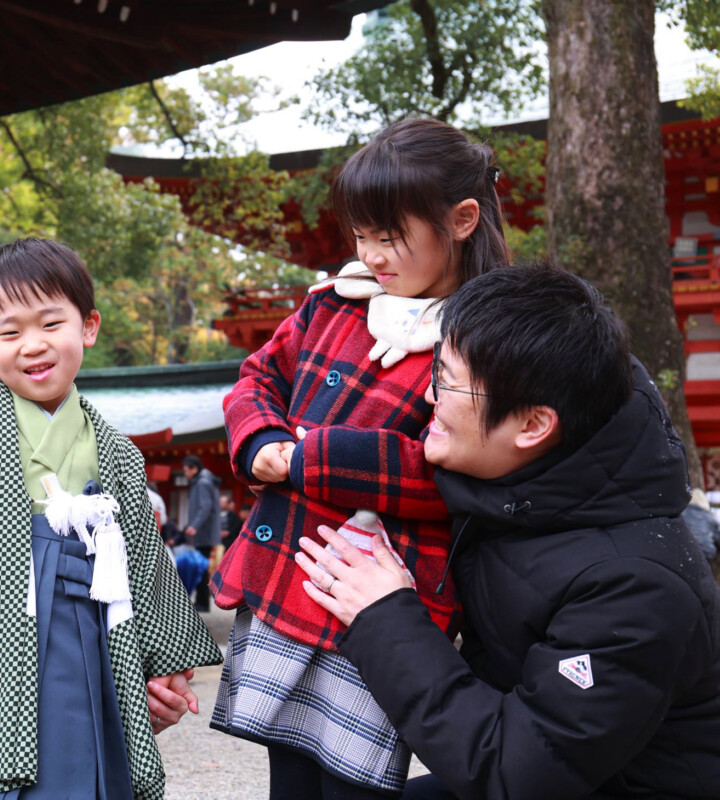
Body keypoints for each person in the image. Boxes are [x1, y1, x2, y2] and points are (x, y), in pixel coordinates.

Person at [297, 265, 720, 799]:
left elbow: (517, 773)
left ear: (532, 426)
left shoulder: (634, 586)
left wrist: (384, 615)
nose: (429, 397)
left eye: (447, 381)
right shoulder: (521, 486)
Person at [210, 116, 511, 799]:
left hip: (381, 604)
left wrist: (307, 457)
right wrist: (258, 439)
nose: (373, 254)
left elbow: (458, 470)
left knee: (356, 783)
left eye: (390, 236)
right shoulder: (334, 306)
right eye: (362, 234)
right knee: (287, 775)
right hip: (289, 572)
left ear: (461, 219)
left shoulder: (490, 341)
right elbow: (257, 377)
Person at [0, 238, 222, 800]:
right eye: (9, 333)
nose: (32, 346)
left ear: (87, 327)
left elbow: (142, 562)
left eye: (50, 324)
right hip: (2, 646)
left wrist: (167, 664)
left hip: (96, 636)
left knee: (100, 766)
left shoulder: (117, 449)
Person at [182, 455, 221, 610]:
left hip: (203, 532)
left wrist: (194, 526)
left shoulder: (202, 482)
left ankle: (203, 603)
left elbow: (205, 507)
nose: (185, 474)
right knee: (202, 566)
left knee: (201, 567)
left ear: (194, 468)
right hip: (204, 531)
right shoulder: (204, 481)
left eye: (186, 470)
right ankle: (202, 601)